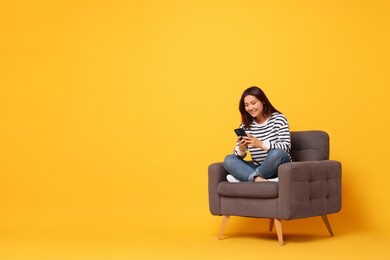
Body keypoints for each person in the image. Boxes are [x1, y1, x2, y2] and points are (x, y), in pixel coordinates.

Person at [223, 86, 291, 182]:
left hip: (279, 167)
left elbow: (286, 147)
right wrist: (242, 149)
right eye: (246, 105)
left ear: (263, 101)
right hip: (258, 167)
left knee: (277, 153)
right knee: (229, 159)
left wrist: (261, 144)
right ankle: (259, 179)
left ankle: (247, 178)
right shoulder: (245, 126)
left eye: (253, 103)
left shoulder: (278, 119)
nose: (250, 108)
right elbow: (237, 156)